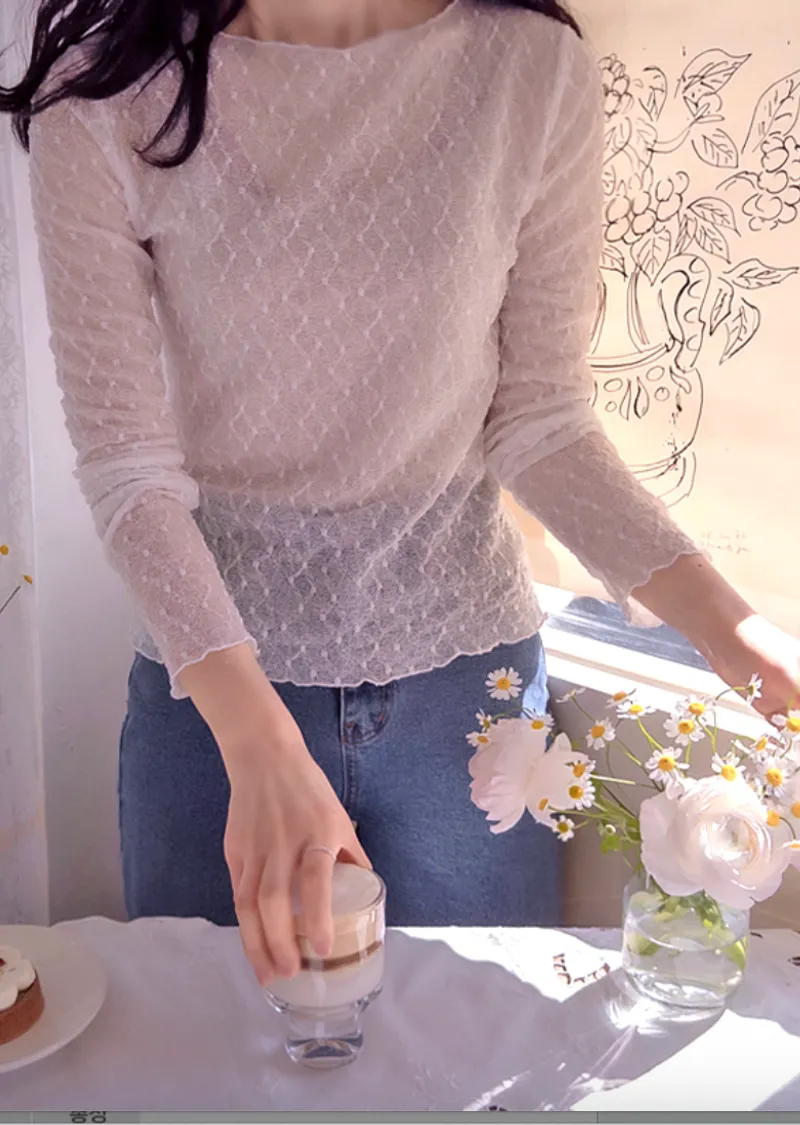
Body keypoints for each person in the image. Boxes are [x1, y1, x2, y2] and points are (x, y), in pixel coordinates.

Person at [2, 0, 799, 988]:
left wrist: (732, 633)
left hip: (467, 701)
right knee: (214, 1051)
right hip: (213, 707)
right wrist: (256, 740)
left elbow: (540, 419)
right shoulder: (109, 97)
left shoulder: (531, 70)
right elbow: (127, 466)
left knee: (479, 1052)